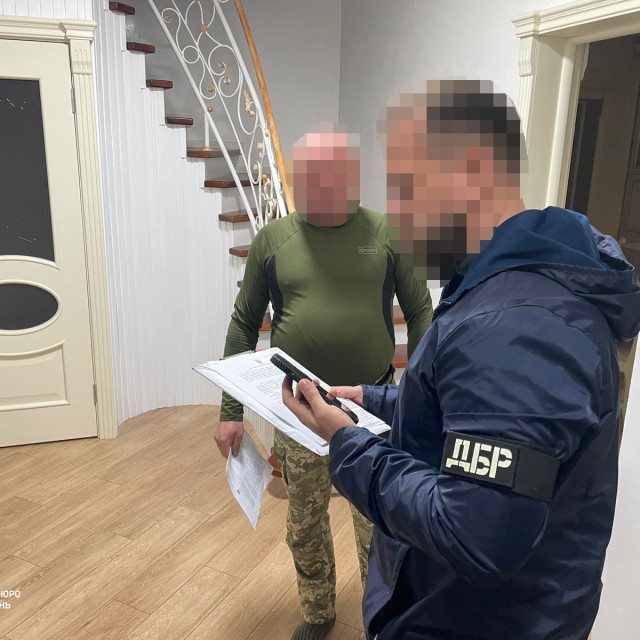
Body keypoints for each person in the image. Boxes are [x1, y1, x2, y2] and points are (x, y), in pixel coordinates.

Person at [282, 80, 640, 640]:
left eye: (406, 189)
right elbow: (470, 408)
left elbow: (476, 533)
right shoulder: (507, 290)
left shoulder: (518, 326)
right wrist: (376, 400)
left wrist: (348, 445)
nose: (397, 218)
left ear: (471, 169)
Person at [214, 122, 433, 640]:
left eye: (332, 174)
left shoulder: (388, 234)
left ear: (353, 175)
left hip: (372, 406)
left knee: (381, 522)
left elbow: (421, 313)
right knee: (304, 522)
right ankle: (317, 613)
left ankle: (383, 621)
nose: (321, 185)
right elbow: (244, 324)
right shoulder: (274, 241)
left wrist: (423, 395)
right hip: (300, 406)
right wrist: (229, 412)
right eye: (309, 175)